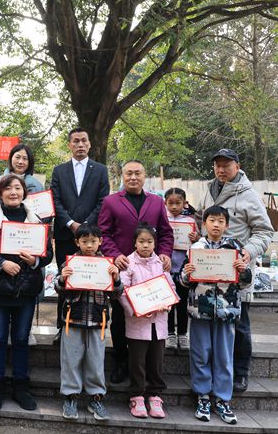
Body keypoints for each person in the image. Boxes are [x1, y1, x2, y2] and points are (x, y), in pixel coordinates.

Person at [0, 174, 53, 413]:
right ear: (0, 194)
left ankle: (21, 386)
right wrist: (0, 264)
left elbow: (48, 253)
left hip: (26, 291)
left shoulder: (37, 221)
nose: (14, 192)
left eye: (18, 188)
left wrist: (36, 260)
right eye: (8, 189)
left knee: (20, 339)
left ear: (24, 192)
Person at [197, 149, 274, 393]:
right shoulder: (209, 190)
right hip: (208, 275)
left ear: (238, 166)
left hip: (236, 273)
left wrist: (248, 252)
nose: (221, 170)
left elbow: (264, 231)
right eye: (217, 165)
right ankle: (214, 374)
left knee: (239, 324)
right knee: (211, 324)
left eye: (226, 165)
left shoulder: (248, 195)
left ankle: (240, 372)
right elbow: (202, 220)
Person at [98, 160, 174, 383]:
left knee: (151, 315)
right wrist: (114, 255)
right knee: (121, 316)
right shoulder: (111, 202)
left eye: (137, 173)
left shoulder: (157, 202)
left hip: (151, 270)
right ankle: (121, 360)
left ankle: (149, 364)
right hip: (123, 268)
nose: (133, 177)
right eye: (128, 173)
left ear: (144, 176)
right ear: (122, 176)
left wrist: (165, 253)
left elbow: (166, 233)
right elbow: (104, 233)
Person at [181, 205, 252, 425]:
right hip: (200, 309)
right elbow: (183, 281)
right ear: (204, 224)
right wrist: (186, 274)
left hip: (226, 310)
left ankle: (222, 399)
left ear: (227, 225)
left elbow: (245, 283)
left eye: (221, 221)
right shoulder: (195, 248)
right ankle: (202, 396)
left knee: (223, 356)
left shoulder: (235, 248)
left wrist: (243, 271)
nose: (216, 225)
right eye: (212, 220)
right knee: (201, 354)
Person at [53, 224, 121, 421]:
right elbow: (60, 291)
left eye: (93, 241)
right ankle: (70, 397)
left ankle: (96, 397)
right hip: (72, 318)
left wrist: (116, 280)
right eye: (84, 241)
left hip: (97, 320)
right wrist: (62, 279)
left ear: (100, 241)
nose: (89, 245)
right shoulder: (70, 263)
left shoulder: (107, 265)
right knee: (70, 360)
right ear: (77, 242)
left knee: (95, 361)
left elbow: (117, 295)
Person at [50, 127, 109, 340]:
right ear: (69, 145)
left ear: (90, 144)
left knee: (92, 278)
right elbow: (54, 200)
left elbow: (103, 200)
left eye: (84, 141)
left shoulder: (100, 170)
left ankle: (94, 323)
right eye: (75, 141)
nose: (80, 145)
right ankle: (61, 326)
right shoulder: (59, 170)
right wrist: (70, 223)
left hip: (91, 236)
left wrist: (84, 225)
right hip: (66, 235)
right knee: (65, 279)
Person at [0, 143, 45, 346]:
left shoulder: (37, 185)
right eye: (17, 157)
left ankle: (27, 329)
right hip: (2, 238)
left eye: (25, 158)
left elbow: (44, 213)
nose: (21, 161)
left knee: (30, 281)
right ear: (10, 159)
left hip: (29, 239)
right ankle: (2, 330)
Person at [119, 223, 172, 419]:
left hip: (159, 321)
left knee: (156, 360)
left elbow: (170, 287)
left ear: (155, 244)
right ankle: (137, 395)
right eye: (141, 241)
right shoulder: (129, 264)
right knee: (137, 361)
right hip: (138, 322)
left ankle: (155, 395)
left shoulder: (160, 263)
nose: (145, 245)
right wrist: (135, 309)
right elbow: (123, 292)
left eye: (149, 242)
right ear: (134, 243)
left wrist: (167, 303)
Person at [164, 188, 199, 349]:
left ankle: (183, 334)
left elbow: (199, 244)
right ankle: (170, 333)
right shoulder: (163, 220)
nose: (174, 207)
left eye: (178, 203)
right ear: (165, 203)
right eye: (170, 203)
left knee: (183, 303)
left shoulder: (191, 221)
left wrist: (196, 238)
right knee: (169, 302)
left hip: (184, 270)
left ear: (185, 203)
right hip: (167, 269)